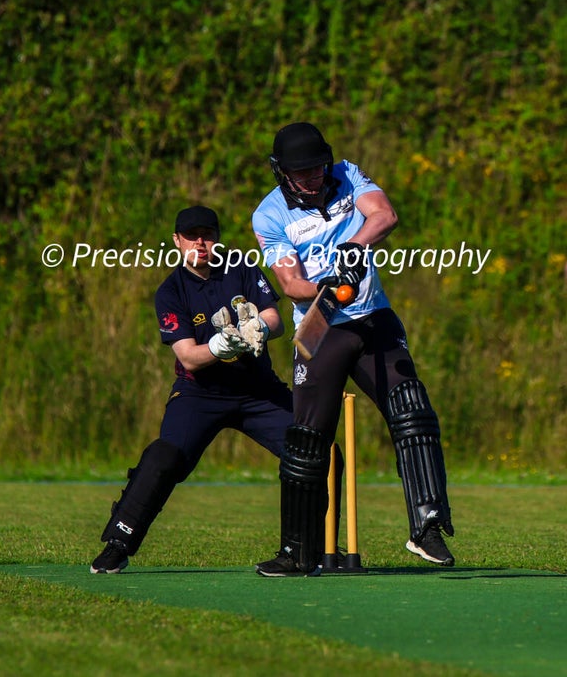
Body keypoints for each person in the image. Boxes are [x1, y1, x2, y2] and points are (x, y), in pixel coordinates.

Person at [252, 122, 455, 577]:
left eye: (318, 168)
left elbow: (384, 214)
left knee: (412, 409)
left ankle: (427, 526)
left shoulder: (345, 173)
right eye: (302, 172)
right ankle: (297, 551)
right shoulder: (269, 215)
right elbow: (289, 284)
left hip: (374, 318)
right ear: (281, 173)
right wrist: (325, 284)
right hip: (322, 327)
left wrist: (353, 247)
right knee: (307, 441)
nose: (314, 178)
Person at [90, 205, 302, 573]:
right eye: (192, 236)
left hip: (257, 390)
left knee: (316, 452)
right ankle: (119, 542)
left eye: (207, 235)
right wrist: (221, 347)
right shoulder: (171, 291)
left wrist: (259, 329)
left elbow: (274, 317)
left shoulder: (240, 267)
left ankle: (308, 547)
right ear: (177, 241)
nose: (200, 243)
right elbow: (188, 356)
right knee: (164, 457)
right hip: (200, 393)